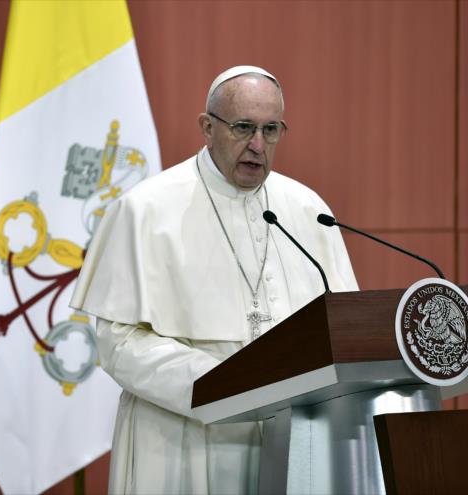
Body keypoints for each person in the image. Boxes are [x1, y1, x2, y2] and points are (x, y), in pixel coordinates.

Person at [70, 66, 358, 494]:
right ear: (207, 127)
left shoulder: (306, 209)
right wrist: (224, 384)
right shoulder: (146, 210)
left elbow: (342, 328)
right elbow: (119, 343)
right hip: (183, 438)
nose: (257, 146)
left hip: (289, 439)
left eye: (270, 129)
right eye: (243, 127)